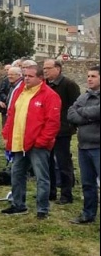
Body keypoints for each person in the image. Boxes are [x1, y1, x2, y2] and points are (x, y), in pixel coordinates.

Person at [1, 65, 61, 219]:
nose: (26, 78)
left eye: (30, 76)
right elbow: (11, 113)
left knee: (42, 177)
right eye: (25, 75)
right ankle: (18, 204)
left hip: (37, 145)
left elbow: (52, 123)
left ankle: (42, 209)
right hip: (19, 141)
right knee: (17, 173)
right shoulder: (20, 92)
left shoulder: (50, 95)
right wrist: (7, 132)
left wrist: (41, 141)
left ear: (40, 78)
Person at [43, 59, 81, 205]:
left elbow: (75, 107)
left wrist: (70, 126)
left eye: (48, 68)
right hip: (47, 130)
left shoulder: (69, 85)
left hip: (62, 130)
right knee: (48, 162)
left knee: (63, 162)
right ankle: (51, 192)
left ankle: (66, 194)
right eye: (44, 68)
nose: (45, 71)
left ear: (58, 68)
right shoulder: (45, 85)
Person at [66, 66, 100, 225]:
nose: (89, 79)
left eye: (93, 76)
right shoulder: (84, 96)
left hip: (98, 147)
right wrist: (89, 116)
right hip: (84, 146)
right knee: (87, 183)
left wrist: (83, 113)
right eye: (88, 76)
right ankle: (88, 214)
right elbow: (71, 114)